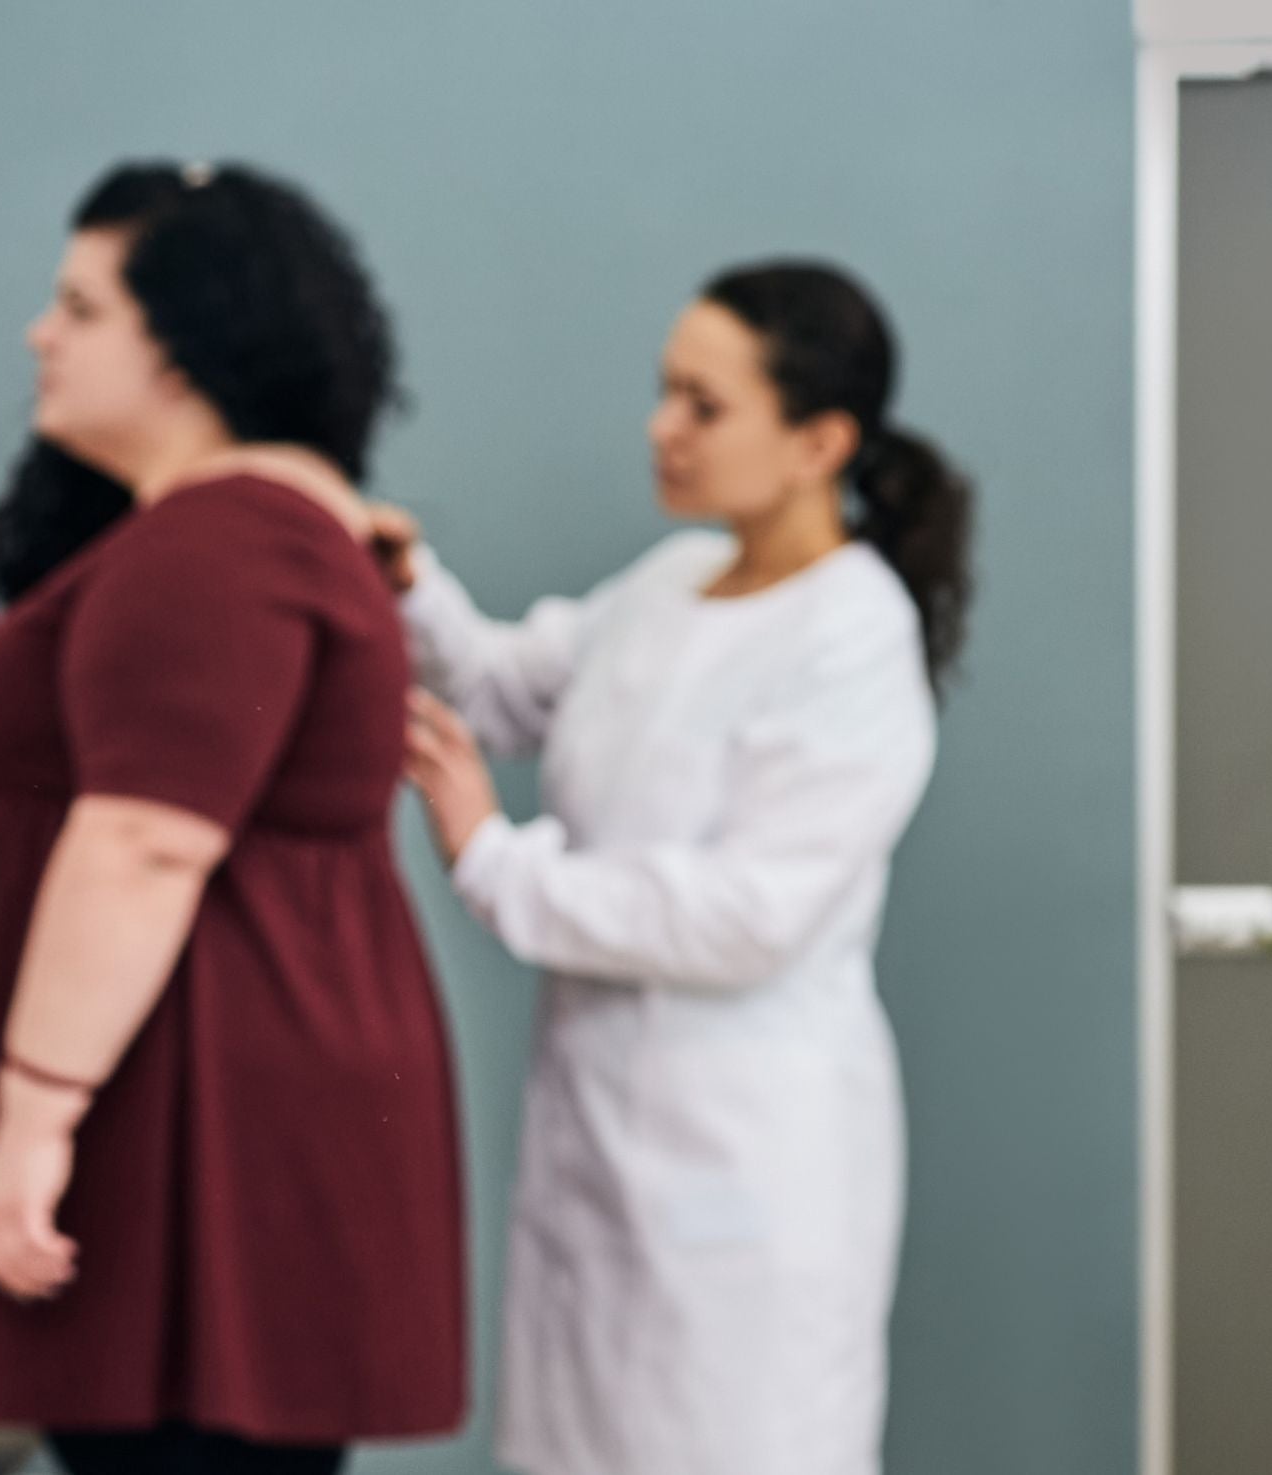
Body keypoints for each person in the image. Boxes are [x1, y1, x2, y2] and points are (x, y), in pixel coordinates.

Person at [0, 160, 465, 1475]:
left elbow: (146, 837)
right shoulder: (254, 529)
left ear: (187, 343)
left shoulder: (219, 540)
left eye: (79, 305)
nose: (38, 334)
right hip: (197, 1103)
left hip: (189, 1129)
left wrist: (33, 1116)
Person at [383, 261, 969, 1475]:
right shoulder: (667, 585)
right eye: (665, 393)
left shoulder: (854, 633)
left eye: (704, 405)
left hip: (748, 1160)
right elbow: (500, 681)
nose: (663, 426)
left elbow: (748, 915)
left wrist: (495, 858)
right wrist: (411, 587)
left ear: (820, 440)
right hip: (597, 1137)